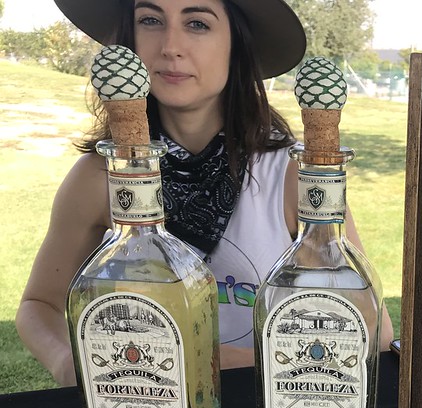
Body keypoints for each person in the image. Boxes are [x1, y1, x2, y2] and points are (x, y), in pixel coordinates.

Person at [16, 0, 394, 387]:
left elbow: (373, 328)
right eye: (150, 20)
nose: (170, 46)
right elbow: (39, 305)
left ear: (236, 45)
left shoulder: (294, 176)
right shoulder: (100, 177)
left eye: (197, 23)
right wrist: (67, 362)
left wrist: (246, 363)